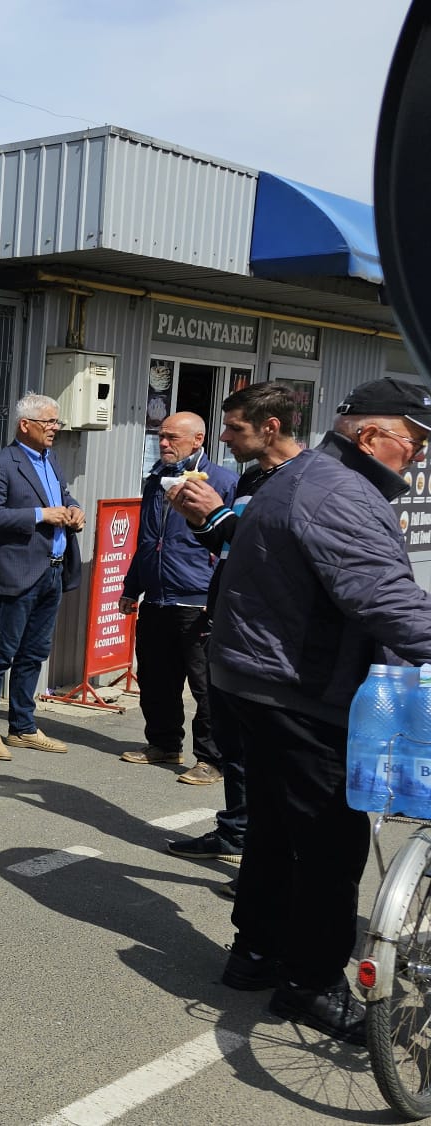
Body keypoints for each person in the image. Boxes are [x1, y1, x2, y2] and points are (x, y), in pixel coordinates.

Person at [204, 377, 431, 1042]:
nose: (417, 457)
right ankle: (309, 983)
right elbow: (383, 598)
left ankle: (255, 955)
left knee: (277, 826)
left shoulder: (318, 475)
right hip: (293, 688)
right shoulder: (337, 491)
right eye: (412, 442)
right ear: (369, 436)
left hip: (258, 678)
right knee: (330, 843)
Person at [164, 392, 309, 871]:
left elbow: (274, 552)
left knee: (268, 757)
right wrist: (200, 520)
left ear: (270, 427)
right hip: (228, 621)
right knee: (237, 747)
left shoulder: (305, 481)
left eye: (234, 429)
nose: (223, 437)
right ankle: (236, 833)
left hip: (272, 641)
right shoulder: (253, 477)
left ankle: (266, 865)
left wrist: (220, 516)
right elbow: (235, 549)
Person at [117, 412, 237, 784]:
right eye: (160, 436)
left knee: (204, 685)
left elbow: (231, 544)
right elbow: (147, 538)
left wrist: (216, 596)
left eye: (172, 438)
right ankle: (164, 743)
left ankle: (211, 759)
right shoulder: (156, 480)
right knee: (155, 677)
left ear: (198, 440)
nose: (164, 443)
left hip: (196, 599)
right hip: (156, 597)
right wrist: (130, 587)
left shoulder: (222, 481)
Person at [0, 392, 84, 760]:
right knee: (0, 655)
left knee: (34, 653)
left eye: (56, 422)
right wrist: (39, 515)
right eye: (49, 422)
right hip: (18, 572)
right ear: (25, 425)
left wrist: (74, 510)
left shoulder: (51, 459)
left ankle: (23, 727)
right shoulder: (0, 464)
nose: (55, 428)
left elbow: (63, 496)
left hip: (53, 571)